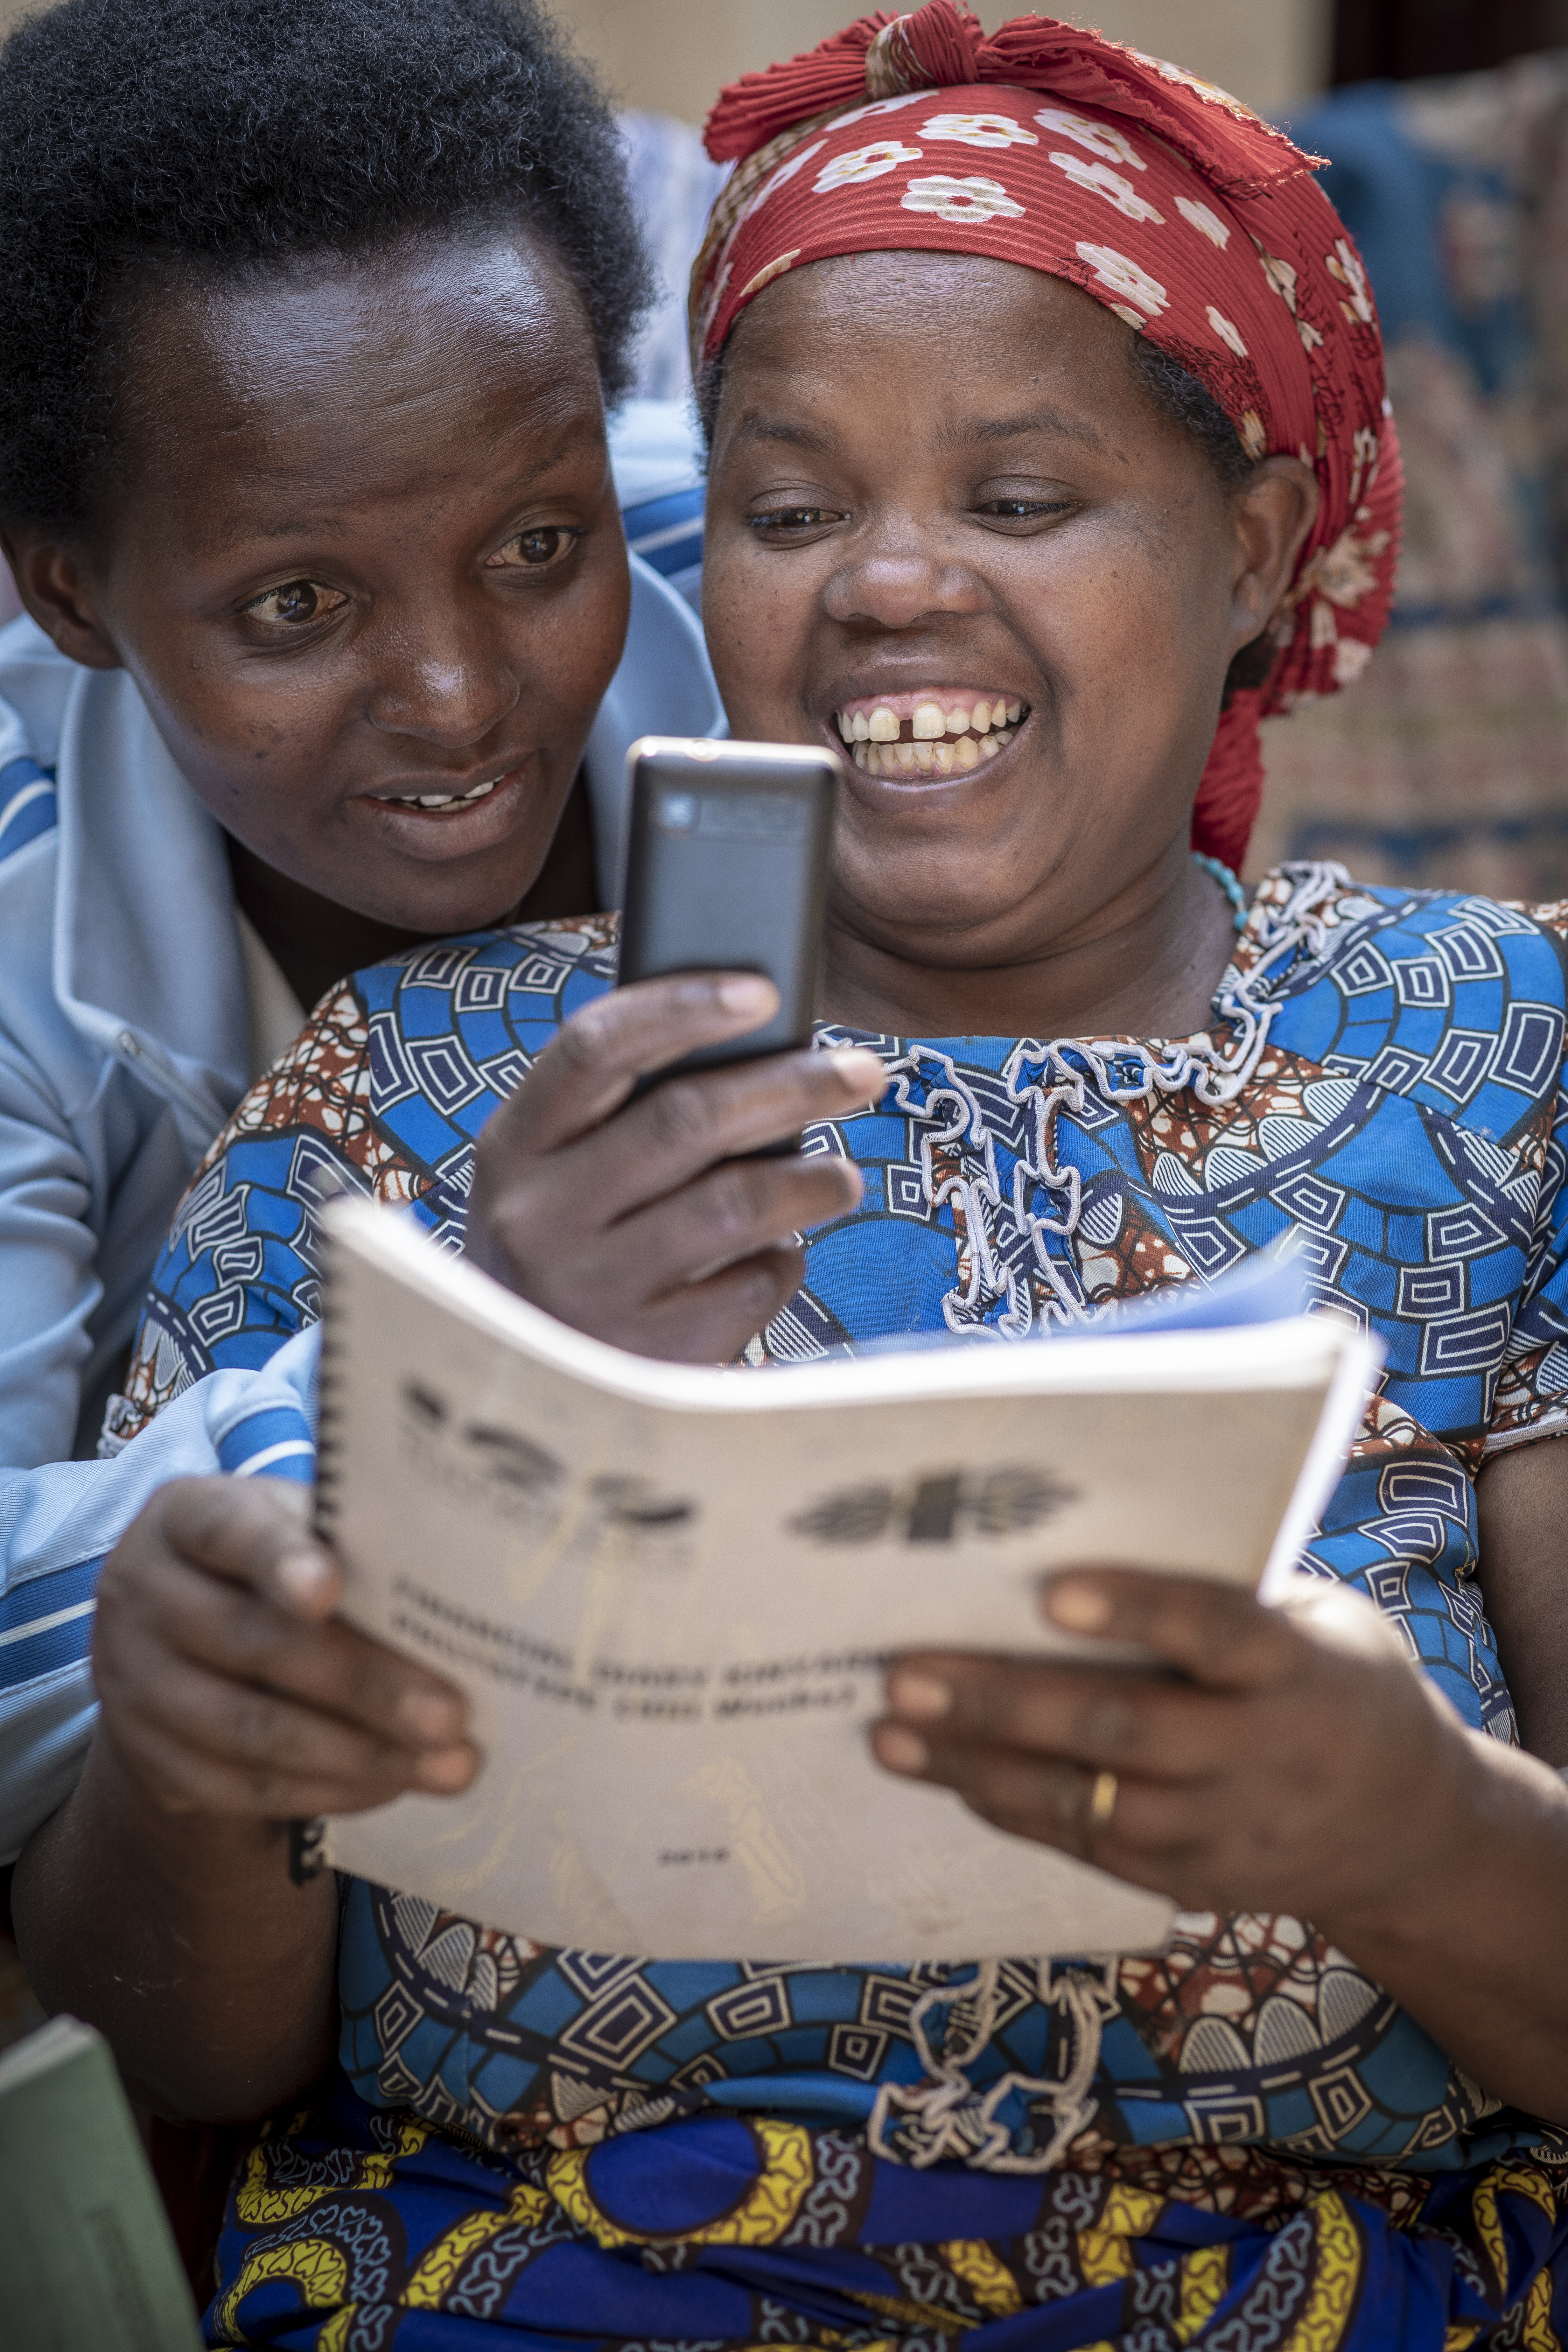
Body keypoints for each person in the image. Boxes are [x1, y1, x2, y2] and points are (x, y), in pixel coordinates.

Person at [19, 5, 1568, 2344]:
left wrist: (1410, 1830)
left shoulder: (1504, 1055)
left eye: (1021, 500)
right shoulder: (413, 1091)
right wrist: (195, 1729)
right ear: (708, 546)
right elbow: (191, 2040)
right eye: (793, 505)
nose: (885, 587)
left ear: (1254, 551)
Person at [0, 0, 723, 1860]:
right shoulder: (18, 893)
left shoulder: (765, 595)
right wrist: (484, 1367)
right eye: (299, 603)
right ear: (72, 593)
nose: (460, 693)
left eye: (537, 549)